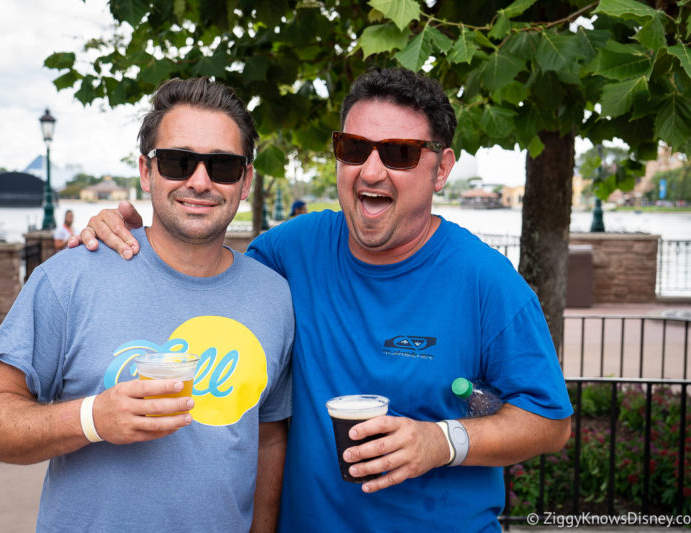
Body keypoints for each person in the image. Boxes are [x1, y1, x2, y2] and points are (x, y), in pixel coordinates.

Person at [71, 68, 573, 532]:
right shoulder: (290, 250)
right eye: (354, 148)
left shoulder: (485, 280)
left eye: (398, 153)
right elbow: (203, 273)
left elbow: (550, 423)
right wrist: (130, 238)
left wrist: (441, 442)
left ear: (441, 169)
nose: (371, 171)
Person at [0, 77, 294, 533]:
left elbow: (269, 435)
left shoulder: (274, 296)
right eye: (179, 162)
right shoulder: (72, 277)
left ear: (245, 179)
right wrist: (91, 418)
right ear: (146, 170)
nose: (200, 181)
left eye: (222, 166)